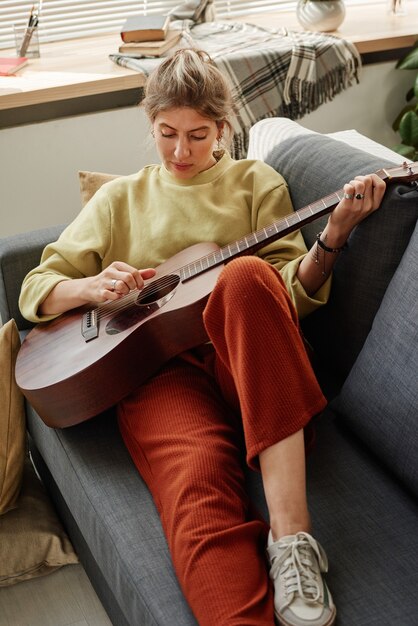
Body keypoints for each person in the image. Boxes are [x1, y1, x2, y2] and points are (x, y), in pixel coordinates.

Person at [19, 49, 385, 626]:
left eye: (197, 135)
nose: (182, 152)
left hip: (255, 371)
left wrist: (334, 234)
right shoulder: (121, 199)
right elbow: (36, 286)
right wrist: (89, 287)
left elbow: (284, 295)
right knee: (194, 490)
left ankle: (293, 542)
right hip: (158, 373)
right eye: (167, 134)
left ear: (223, 128)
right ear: (151, 124)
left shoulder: (256, 183)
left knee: (243, 274)